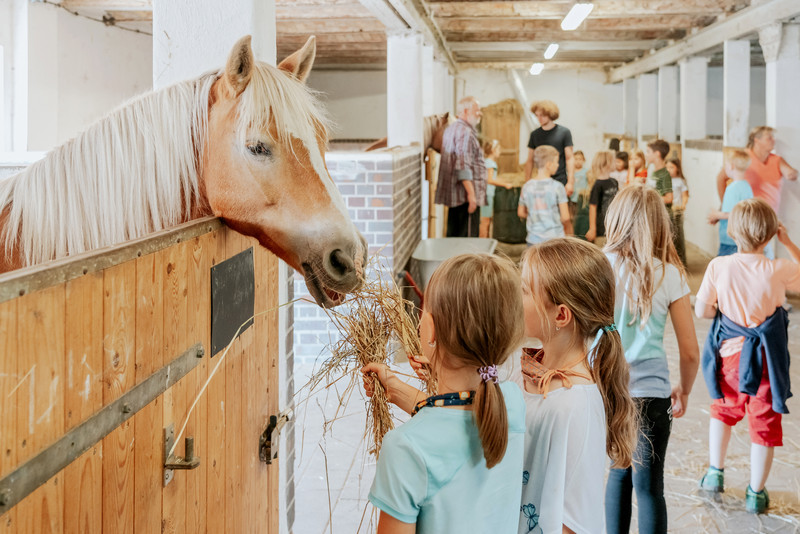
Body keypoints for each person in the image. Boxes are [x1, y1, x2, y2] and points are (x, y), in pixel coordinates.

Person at [362, 254, 526, 533]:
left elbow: (441, 429)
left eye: (423, 310)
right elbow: (455, 417)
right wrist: (397, 389)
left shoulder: (404, 448)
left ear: (432, 329)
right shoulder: (511, 402)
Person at [513, 238, 637, 534]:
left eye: (525, 291)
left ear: (560, 315)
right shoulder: (528, 370)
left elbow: (574, 522)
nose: (515, 299)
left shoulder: (575, 404)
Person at [602, 186, 700, 534]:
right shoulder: (669, 274)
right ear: (660, 224)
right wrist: (684, 390)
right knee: (649, 488)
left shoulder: (600, 266)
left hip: (609, 390)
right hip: (652, 394)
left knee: (617, 471)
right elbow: (690, 350)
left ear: (616, 219)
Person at [695, 198, 800, 514]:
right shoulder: (778, 269)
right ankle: (756, 492)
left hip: (729, 358)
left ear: (732, 231)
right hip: (766, 361)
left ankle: (715, 473)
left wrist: (720, 308)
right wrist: (788, 242)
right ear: (770, 236)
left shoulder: (719, 266)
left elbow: (702, 310)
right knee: (764, 424)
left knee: (723, 410)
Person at [435, 96, 487, 237]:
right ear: (465, 110)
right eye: (477, 110)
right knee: (467, 239)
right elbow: (463, 165)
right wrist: (472, 195)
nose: (479, 114)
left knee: (455, 235)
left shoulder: (453, 129)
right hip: (464, 197)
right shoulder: (465, 132)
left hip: (457, 197)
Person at [715, 126, 798, 213]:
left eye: (773, 137)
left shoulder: (777, 160)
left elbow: (791, 173)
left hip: (769, 216)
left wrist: (793, 174)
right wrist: (725, 205)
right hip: (748, 216)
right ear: (757, 140)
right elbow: (721, 178)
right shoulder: (743, 157)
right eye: (769, 138)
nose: (773, 140)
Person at [518, 145, 572, 245]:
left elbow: (521, 213)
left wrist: (535, 217)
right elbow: (565, 217)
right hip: (554, 239)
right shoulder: (557, 187)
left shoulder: (526, 187)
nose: (557, 165)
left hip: (533, 239)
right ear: (548, 165)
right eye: (556, 162)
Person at [523, 100, 575, 196]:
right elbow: (530, 160)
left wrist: (570, 182)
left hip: (560, 179)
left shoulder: (564, 132)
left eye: (542, 115)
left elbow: (569, 158)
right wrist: (527, 182)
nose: (539, 118)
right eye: (537, 115)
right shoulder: (534, 135)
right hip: (541, 179)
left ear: (550, 114)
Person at [707, 149, 753, 257]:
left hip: (729, 239)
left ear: (731, 166)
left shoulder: (732, 188)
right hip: (742, 238)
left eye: (725, 165)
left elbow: (733, 214)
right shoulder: (746, 186)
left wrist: (716, 214)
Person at [480, 139, 513, 238]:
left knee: (486, 220)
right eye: (498, 149)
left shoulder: (487, 162)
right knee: (485, 220)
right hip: (487, 195)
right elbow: (489, 180)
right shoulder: (491, 164)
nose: (500, 152)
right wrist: (505, 185)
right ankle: (483, 242)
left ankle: (484, 240)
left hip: (486, 194)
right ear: (493, 151)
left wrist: (504, 181)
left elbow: (493, 178)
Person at [585, 151, 619, 247]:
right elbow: (593, 207)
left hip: (613, 225)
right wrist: (592, 228)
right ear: (607, 163)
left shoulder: (614, 182)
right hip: (601, 228)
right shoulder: (598, 185)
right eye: (614, 161)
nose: (615, 164)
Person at [666, 157, 689, 267]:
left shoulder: (680, 181)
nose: (669, 169)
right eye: (667, 167)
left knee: (679, 236)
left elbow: (685, 195)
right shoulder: (664, 181)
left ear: (677, 168)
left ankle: (681, 262)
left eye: (671, 167)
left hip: (677, 212)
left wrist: (683, 205)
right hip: (668, 211)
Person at [646, 140, 673, 208]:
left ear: (657, 154)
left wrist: (650, 198)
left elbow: (669, 198)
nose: (646, 155)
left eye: (648, 152)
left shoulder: (664, 174)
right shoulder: (654, 171)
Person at [568, 150, 587, 222]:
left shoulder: (586, 171)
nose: (578, 161)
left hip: (582, 199)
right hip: (572, 199)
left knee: (581, 217)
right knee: (572, 217)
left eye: (580, 159)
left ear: (584, 160)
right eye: (576, 159)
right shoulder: (570, 172)